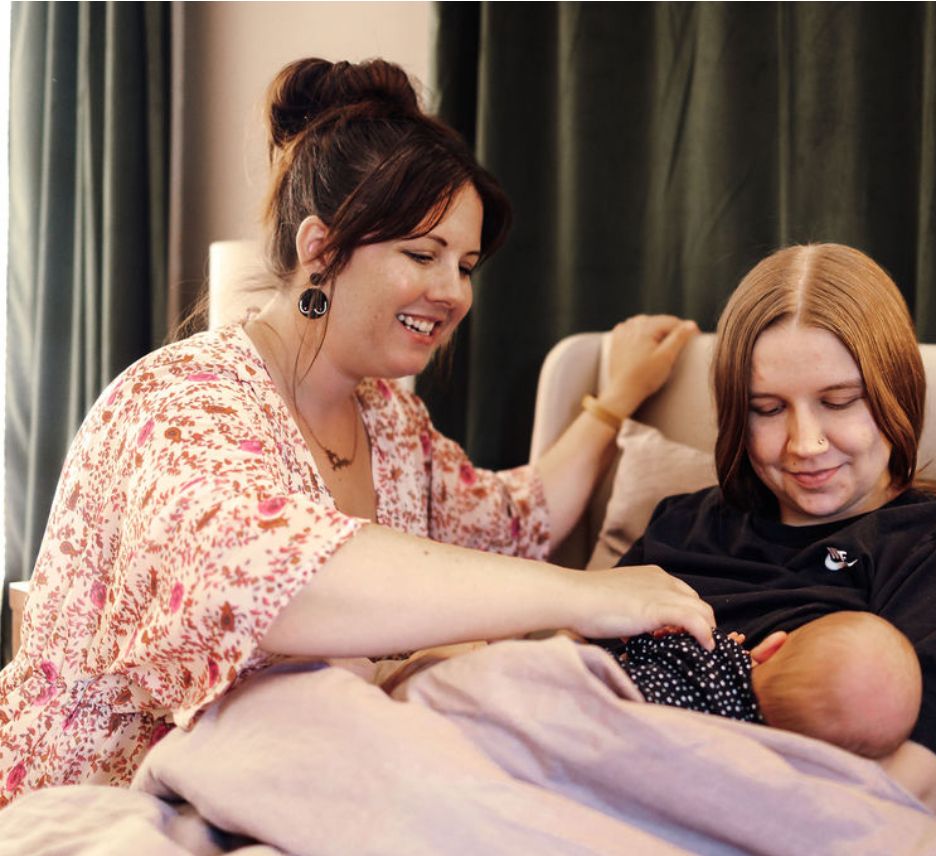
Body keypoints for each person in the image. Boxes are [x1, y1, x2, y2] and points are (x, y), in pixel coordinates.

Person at [0, 57, 714, 808]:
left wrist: (615, 397)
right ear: (320, 247)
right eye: (422, 254)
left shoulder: (393, 422)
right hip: (100, 802)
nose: (453, 293)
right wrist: (586, 597)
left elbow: (518, 519)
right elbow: (266, 578)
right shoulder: (181, 400)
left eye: (466, 265)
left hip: (272, 802)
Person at [617, 243, 936, 813]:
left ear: (895, 391)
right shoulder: (683, 523)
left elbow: (909, 792)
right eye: (767, 409)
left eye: (839, 401)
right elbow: (565, 663)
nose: (805, 444)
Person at [618, 611, 922, 760]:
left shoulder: (711, 649)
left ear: (773, 646)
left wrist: (667, 633)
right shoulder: (752, 756)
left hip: (614, 695)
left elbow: (635, 633)